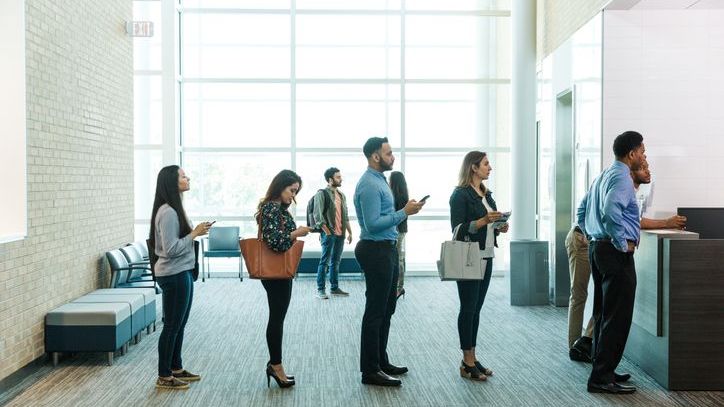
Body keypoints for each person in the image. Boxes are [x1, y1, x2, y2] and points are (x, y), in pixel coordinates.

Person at [567, 159, 687, 365]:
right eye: (645, 167)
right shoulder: (618, 183)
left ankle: (589, 346)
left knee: (603, 302)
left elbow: (627, 220)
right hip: (583, 240)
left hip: (598, 241)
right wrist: (617, 242)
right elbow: (604, 214)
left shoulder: (627, 186)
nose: (649, 171)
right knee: (580, 294)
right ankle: (576, 348)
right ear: (632, 170)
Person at [577, 130, 646, 394]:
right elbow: (609, 211)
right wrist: (619, 243)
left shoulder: (604, 174)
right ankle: (601, 378)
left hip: (598, 249)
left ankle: (604, 369)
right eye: (642, 151)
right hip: (614, 253)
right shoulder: (623, 178)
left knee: (604, 313)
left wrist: (587, 232)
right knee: (617, 317)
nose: (644, 156)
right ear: (631, 154)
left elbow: (582, 209)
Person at [354, 137, 424, 387]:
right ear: (375, 156)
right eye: (389, 153)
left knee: (387, 309)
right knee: (375, 312)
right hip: (375, 250)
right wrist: (404, 212)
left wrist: (403, 211)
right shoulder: (369, 185)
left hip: (387, 248)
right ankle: (370, 370)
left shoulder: (380, 181)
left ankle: (381, 361)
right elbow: (372, 223)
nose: (393, 156)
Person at [150, 165, 211, 390]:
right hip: (173, 274)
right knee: (171, 325)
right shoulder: (168, 212)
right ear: (172, 183)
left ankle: (176, 368)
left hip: (182, 271)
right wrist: (194, 234)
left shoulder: (177, 208)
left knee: (180, 324)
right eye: (184, 176)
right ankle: (164, 376)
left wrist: (194, 232)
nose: (188, 178)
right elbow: (170, 249)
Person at [449, 151, 508, 382]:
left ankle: (472, 356)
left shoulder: (486, 193)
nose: (490, 168)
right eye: (486, 164)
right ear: (473, 168)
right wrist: (484, 221)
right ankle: (467, 361)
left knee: (477, 308)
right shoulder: (460, 195)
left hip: (487, 255)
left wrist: (499, 225)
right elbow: (457, 229)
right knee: (468, 307)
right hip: (468, 256)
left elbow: (489, 223)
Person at [256, 169, 312, 388]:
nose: (293, 196)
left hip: (280, 272)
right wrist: (295, 234)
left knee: (278, 317)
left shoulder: (277, 208)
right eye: (291, 190)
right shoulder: (271, 208)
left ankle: (276, 364)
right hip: (275, 273)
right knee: (276, 319)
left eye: (296, 191)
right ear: (280, 186)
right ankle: (275, 366)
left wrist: (297, 231)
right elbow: (276, 242)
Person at [313, 167, 353, 299]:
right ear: (330, 179)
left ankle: (334, 288)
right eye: (338, 177)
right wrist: (327, 232)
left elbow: (345, 215)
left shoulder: (342, 195)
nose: (341, 179)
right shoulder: (322, 194)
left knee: (335, 261)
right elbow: (317, 216)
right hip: (329, 234)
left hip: (340, 234)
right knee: (324, 261)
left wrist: (350, 232)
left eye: (340, 177)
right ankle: (320, 290)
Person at [632, 161, 686, 229]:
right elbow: (633, 221)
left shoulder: (636, 191)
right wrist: (667, 223)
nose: (648, 172)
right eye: (642, 168)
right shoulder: (625, 192)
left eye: (647, 168)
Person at [389, 171, 408, 299]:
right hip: (400, 230)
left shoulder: (397, 197)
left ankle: (399, 288)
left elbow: (396, 216)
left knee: (398, 259)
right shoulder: (403, 195)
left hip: (397, 230)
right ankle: (398, 287)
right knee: (399, 257)